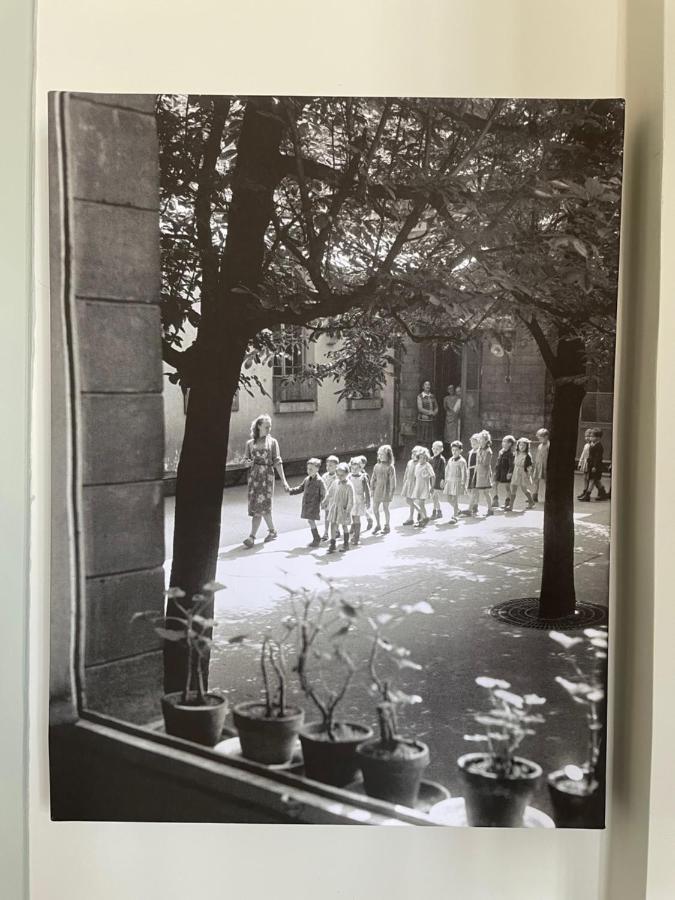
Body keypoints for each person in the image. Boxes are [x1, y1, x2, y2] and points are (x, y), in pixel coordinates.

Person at [242, 414, 289, 548]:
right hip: (254, 477)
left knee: (263, 505)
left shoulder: (272, 442)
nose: (269, 429)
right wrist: (248, 463)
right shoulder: (250, 444)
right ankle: (272, 531)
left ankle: (252, 537)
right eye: (266, 426)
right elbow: (245, 461)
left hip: (267, 476)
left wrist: (284, 481)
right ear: (259, 426)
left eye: (270, 427)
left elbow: (277, 462)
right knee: (257, 506)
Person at [289, 457, 327, 547]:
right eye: (308, 469)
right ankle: (316, 537)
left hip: (314, 505)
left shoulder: (319, 481)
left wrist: (324, 502)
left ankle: (316, 538)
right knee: (310, 521)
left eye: (311, 469)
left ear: (317, 469)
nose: (308, 471)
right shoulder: (307, 479)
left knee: (311, 520)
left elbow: (324, 492)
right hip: (307, 504)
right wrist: (291, 490)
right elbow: (301, 488)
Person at [326, 462, 355, 553]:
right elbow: (330, 492)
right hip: (335, 508)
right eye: (337, 474)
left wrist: (348, 510)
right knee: (333, 524)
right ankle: (333, 543)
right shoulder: (335, 482)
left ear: (347, 474)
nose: (339, 477)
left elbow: (351, 500)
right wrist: (325, 500)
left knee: (344, 525)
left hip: (343, 509)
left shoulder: (349, 485)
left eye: (342, 475)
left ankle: (346, 544)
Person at [370, 444, 397, 534]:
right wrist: (372, 489)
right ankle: (378, 524)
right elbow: (373, 478)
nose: (380, 456)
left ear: (388, 456)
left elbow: (393, 480)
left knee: (386, 508)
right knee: (375, 508)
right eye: (379, 454)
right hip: (377, 489)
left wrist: (391, 492)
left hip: (386, 490)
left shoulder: (390, 467)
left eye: (382, 454)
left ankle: (387, 525)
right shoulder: (376, 466)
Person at [579, 429, 609, 501]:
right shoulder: (593, 444)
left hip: (595, 466)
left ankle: (587, 495)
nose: (591, 438)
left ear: (598, 438)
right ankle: (603, 493)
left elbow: (597, 458)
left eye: (592, 437)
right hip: (591, 465)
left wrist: (594, 466)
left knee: (592, 480)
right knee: (596, 480)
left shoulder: (599, 446)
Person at [348, 457, 371, 546]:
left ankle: (357, 537)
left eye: (356, 468)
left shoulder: (363, 477)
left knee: (357, 518)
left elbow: (367, 490)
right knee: (353, 517)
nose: (354, 470)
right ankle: (355, 533)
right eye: (352, 468)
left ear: (361, 468)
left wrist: (368, 501)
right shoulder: (349, 477)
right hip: (351, 500)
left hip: (359, 500)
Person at [411, 447, 435, 527]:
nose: (422, 459)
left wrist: (432, 487)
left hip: (424, 487)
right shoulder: (417, 466)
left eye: (424, 458)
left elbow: (433, 476)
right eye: (421, 457)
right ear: (418, 458)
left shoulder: (427, 465)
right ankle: (423, 518)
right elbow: (416, 476)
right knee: (416, 502)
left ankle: (424, 518)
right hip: (418, 486)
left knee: (421, 503)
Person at [444, 440, 468, 522]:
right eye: (453, 450)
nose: (454, 452)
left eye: (456, 450)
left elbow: (464, 473)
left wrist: (463, 483)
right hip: (450, 481)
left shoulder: (462, 461)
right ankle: (458, 510)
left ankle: (455, 516)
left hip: (457, 482)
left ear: (460, 450)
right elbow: (447, 470)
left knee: (455, 499)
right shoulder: (450, 460)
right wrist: (445, 480)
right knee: (448, 499)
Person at [472, 429, 494, 518]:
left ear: (486, 441)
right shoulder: (480, 449)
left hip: (484, 473)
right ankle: (474, 507)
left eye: (481, 439)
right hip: (478, 472)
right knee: (476, 490)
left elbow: (485, 463)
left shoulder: (488, 451)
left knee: (486, 492)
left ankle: (490, 509)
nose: (479, 441)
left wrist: (479, 459)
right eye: (479, 439)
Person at [510, 437, 536, 511]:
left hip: (523, 473)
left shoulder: (527, 456)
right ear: (518, 445)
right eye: (520, 445)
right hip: (516, 472)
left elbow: (529, 466)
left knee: (524, 489)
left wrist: (528, 474)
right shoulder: (516, 453)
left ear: (527, 447)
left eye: (524, 446)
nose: (521, 447)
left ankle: (531, 501)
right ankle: (511, 506)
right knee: (513, 487)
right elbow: (513, 463)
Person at [401, 445, 423, 525]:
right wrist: (404, 481)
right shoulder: (409, 462)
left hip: (415, 484)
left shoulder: (419, 464)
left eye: (415, 454)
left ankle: (419, 513)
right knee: (409, 500)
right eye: (412, 454)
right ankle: (412, 517)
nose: (413, 455)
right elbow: (406, 472)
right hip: (408, 483)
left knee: (410, 500)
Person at [493, 435, 516, 510]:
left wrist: (510, 473)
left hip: (506, 472)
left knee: (507, 487)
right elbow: (498, 462)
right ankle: (495, 500)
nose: (502, 443)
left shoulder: (511, 453)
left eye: (504, 441)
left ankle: (507, 501)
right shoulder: (501, 451)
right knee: (494, 484)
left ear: (509, 444)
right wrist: (495, 471)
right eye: (502, 441)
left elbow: (512, 464)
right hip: (499, 471)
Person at [321, 455, 340, 541]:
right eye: (327, 465)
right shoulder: (324, 476)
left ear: (336, 466)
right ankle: (325, 532)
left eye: (331, 465)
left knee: (335, 516)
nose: (328, 467)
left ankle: (336, 530)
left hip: (335, 500)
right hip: (327, 500)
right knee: (327, 516)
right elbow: (322, 487)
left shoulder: (338, 476)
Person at [416, 380, 439, 445]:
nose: (428, 386)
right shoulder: (420, 396)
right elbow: (420, 408)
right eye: (426, 385)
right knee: (424, 439)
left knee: (431, 440)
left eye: (429, 385)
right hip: (423, 421)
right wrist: (430, 413)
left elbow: (436, 407)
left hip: (431, 421)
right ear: (423, 387)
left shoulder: (432, 396)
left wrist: (435, 412)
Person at [532, 428, 550, 503]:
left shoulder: (549, 445)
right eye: (538, 438)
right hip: (539, 465)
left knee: (547, 482)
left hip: (545, 466)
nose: (539, 439)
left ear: (546, 437)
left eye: (541, 438)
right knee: (536, 480)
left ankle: (548, 497)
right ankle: (534, 496)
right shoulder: (540, 445)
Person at [430, 440, 447, 519]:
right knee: (434, 497)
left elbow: (444, 471)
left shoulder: (442, 459)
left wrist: (443, 479)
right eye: (434, 448)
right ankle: (438, 511)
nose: (435, 450)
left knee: (435, 496)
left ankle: (435, 512)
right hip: (432, 480)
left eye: (437, 449)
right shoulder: (431, 459)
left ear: (441, 450)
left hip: (438, 480)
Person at [443, 385, 462, 453]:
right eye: (449, 389)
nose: (451, 390)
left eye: (452, 389)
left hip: (455, 418)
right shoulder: (446, 398)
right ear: (447, 390)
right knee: (448, 435)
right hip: (449, 418)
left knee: (455, 435)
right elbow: (445, 407)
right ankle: (449, 451)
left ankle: (455, 450)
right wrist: (450, 412)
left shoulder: (458, 398)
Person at [357, 455, 374, 531]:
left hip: (361, 494)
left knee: (363, 509)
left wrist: (367, 497)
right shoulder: (353, 471)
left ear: (363, 465)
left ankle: (369, 519)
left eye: (361, 463)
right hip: (355, 494)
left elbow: (367, 487)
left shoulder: (364, 474)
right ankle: (354, 525)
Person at [465, 434, 480, 516]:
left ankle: (472, 507)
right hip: (470, 472)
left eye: (475, 443)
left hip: (476, 472)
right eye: (472, 443)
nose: (473, 445)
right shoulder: (470, 452)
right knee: (469, 489)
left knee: (475, 490)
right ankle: (474, 504)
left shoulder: (479, 452)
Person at [577, 428, 593, 499]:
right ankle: (585, 490)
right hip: (585, 463)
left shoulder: (592, 445)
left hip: (589, 463)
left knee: (589, 478)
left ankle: (588, 492)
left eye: (589, 436)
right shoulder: (586, 445)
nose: (587, 438)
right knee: (585, 478)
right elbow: (583, 454)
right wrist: (580, 462)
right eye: (586, 436)